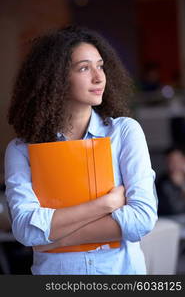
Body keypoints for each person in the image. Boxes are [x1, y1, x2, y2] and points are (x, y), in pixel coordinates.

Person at [4, 25, 157, 275]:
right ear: (56, 79)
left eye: (100, 65)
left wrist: (55, 238)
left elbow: (142, 219)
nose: (99, 77)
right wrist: (106, 204)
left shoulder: (124, 133)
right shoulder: (22, 150)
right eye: (84, 68)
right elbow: (25, 230)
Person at [157, 146, 185, 216]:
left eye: (178, 160)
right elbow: (175, 208)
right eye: (171, 161)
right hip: (171, 220)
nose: (175, 164)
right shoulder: (162, 183)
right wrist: (178, 186)